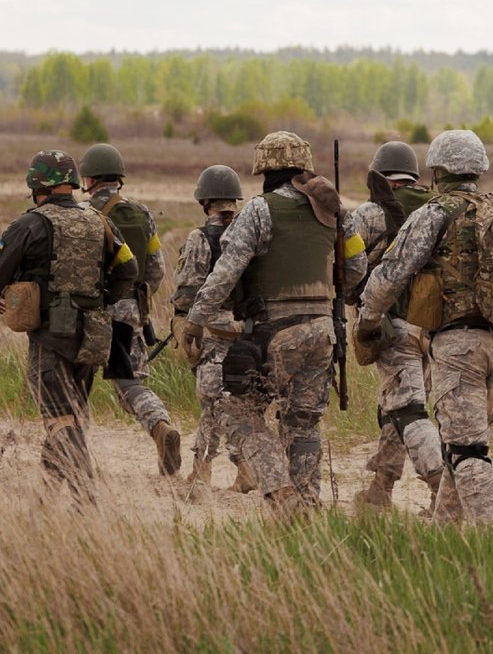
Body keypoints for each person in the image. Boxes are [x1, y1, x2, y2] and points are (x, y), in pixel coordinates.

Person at [356, 130, 493, 525]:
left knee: (467, 453)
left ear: (437, 169)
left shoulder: (434, 214)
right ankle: (445, 536)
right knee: (461, 448)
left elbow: (390, 275)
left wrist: (367, 322)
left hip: (460, 350)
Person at [181, 131, 366, 515]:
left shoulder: (259, 210)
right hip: (323, 331)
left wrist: (196, 321)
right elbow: (357, 267)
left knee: (237, 412)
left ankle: (280, 492)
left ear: (264, 168)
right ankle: (308, 505)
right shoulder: (335, 213)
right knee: (303, 424)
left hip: (275, 331)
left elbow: (226, 271)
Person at [0, 151, 137, 501]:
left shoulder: (29, 224)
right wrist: (100, 299)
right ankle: (46, 501)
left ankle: (86, 501)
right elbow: (128, 269)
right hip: (92, 337)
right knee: (72, 417)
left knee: (59, 418)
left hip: (51, 336)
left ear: (37, 185)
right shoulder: (99, 220)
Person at [348, 141, 444, 513]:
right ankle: (381, 488)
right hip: (436, 328)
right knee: (398, 407)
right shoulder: (439, 208)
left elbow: (347, 265)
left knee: (408, 411)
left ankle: (441, 486)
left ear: (379, 177)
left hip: (394, 326)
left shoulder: (370, 214)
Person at [78, 143, 181, 475]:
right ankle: (160, 426)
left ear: (89, 178)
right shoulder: (142, 213)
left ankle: (71, 454)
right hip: (129, 311)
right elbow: (156, 269)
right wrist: (138, 301)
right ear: (119, 177)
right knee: (130, 383)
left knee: (73, 382)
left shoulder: (82, 214)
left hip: (90, 312)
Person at [171, 165, 250, 489]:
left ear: (205, 202)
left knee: (213, 401)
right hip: (246, 329)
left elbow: (189, 289)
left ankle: (219, 467)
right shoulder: (250, 231)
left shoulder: (200, 238)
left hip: (212, 328)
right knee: (233, 400)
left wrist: (183, 320)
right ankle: (212, 467)